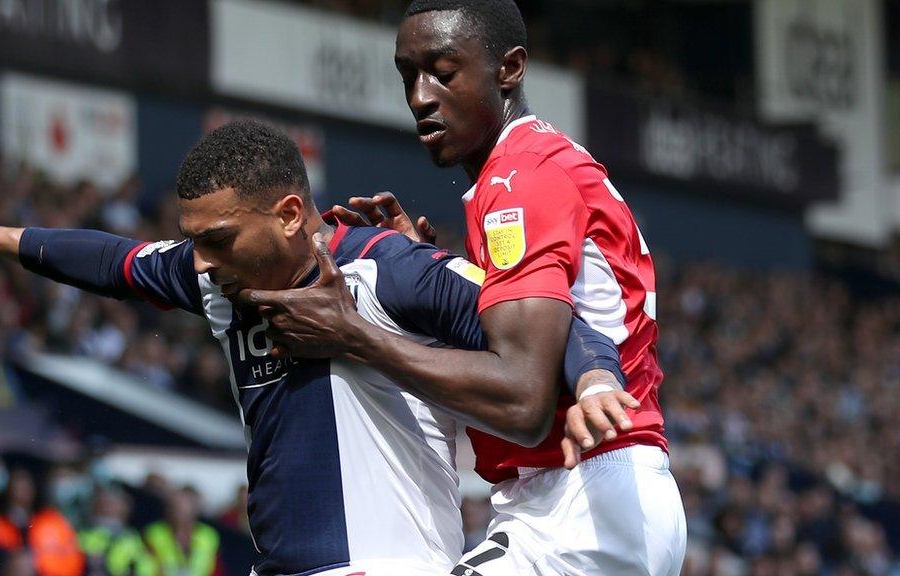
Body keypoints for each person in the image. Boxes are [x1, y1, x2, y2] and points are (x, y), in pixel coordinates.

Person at [0, 120, 624, 576]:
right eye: (194, 239)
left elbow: (547, 321)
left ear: (290, 214)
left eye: (218, 239)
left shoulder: (386, 269)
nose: (198, 260)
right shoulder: (217, 279)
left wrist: (593, 383)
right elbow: (114, 262)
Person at [241, 1, 687, 574]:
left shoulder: (518, 180)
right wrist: (433, 270)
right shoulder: (533, 166)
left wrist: (351, 335)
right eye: (408, 76)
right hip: (593, 499)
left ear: (509, 69)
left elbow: (522, 398)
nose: (420, 97)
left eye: (443, 73)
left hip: (581, 502)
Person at [143, 487, 223, 576]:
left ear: (194, 510)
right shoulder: (154, 533)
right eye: (173, 507)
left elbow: (216, 569)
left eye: (182, 507)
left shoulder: (208, 536)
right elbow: (146, 567)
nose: (177, 512)